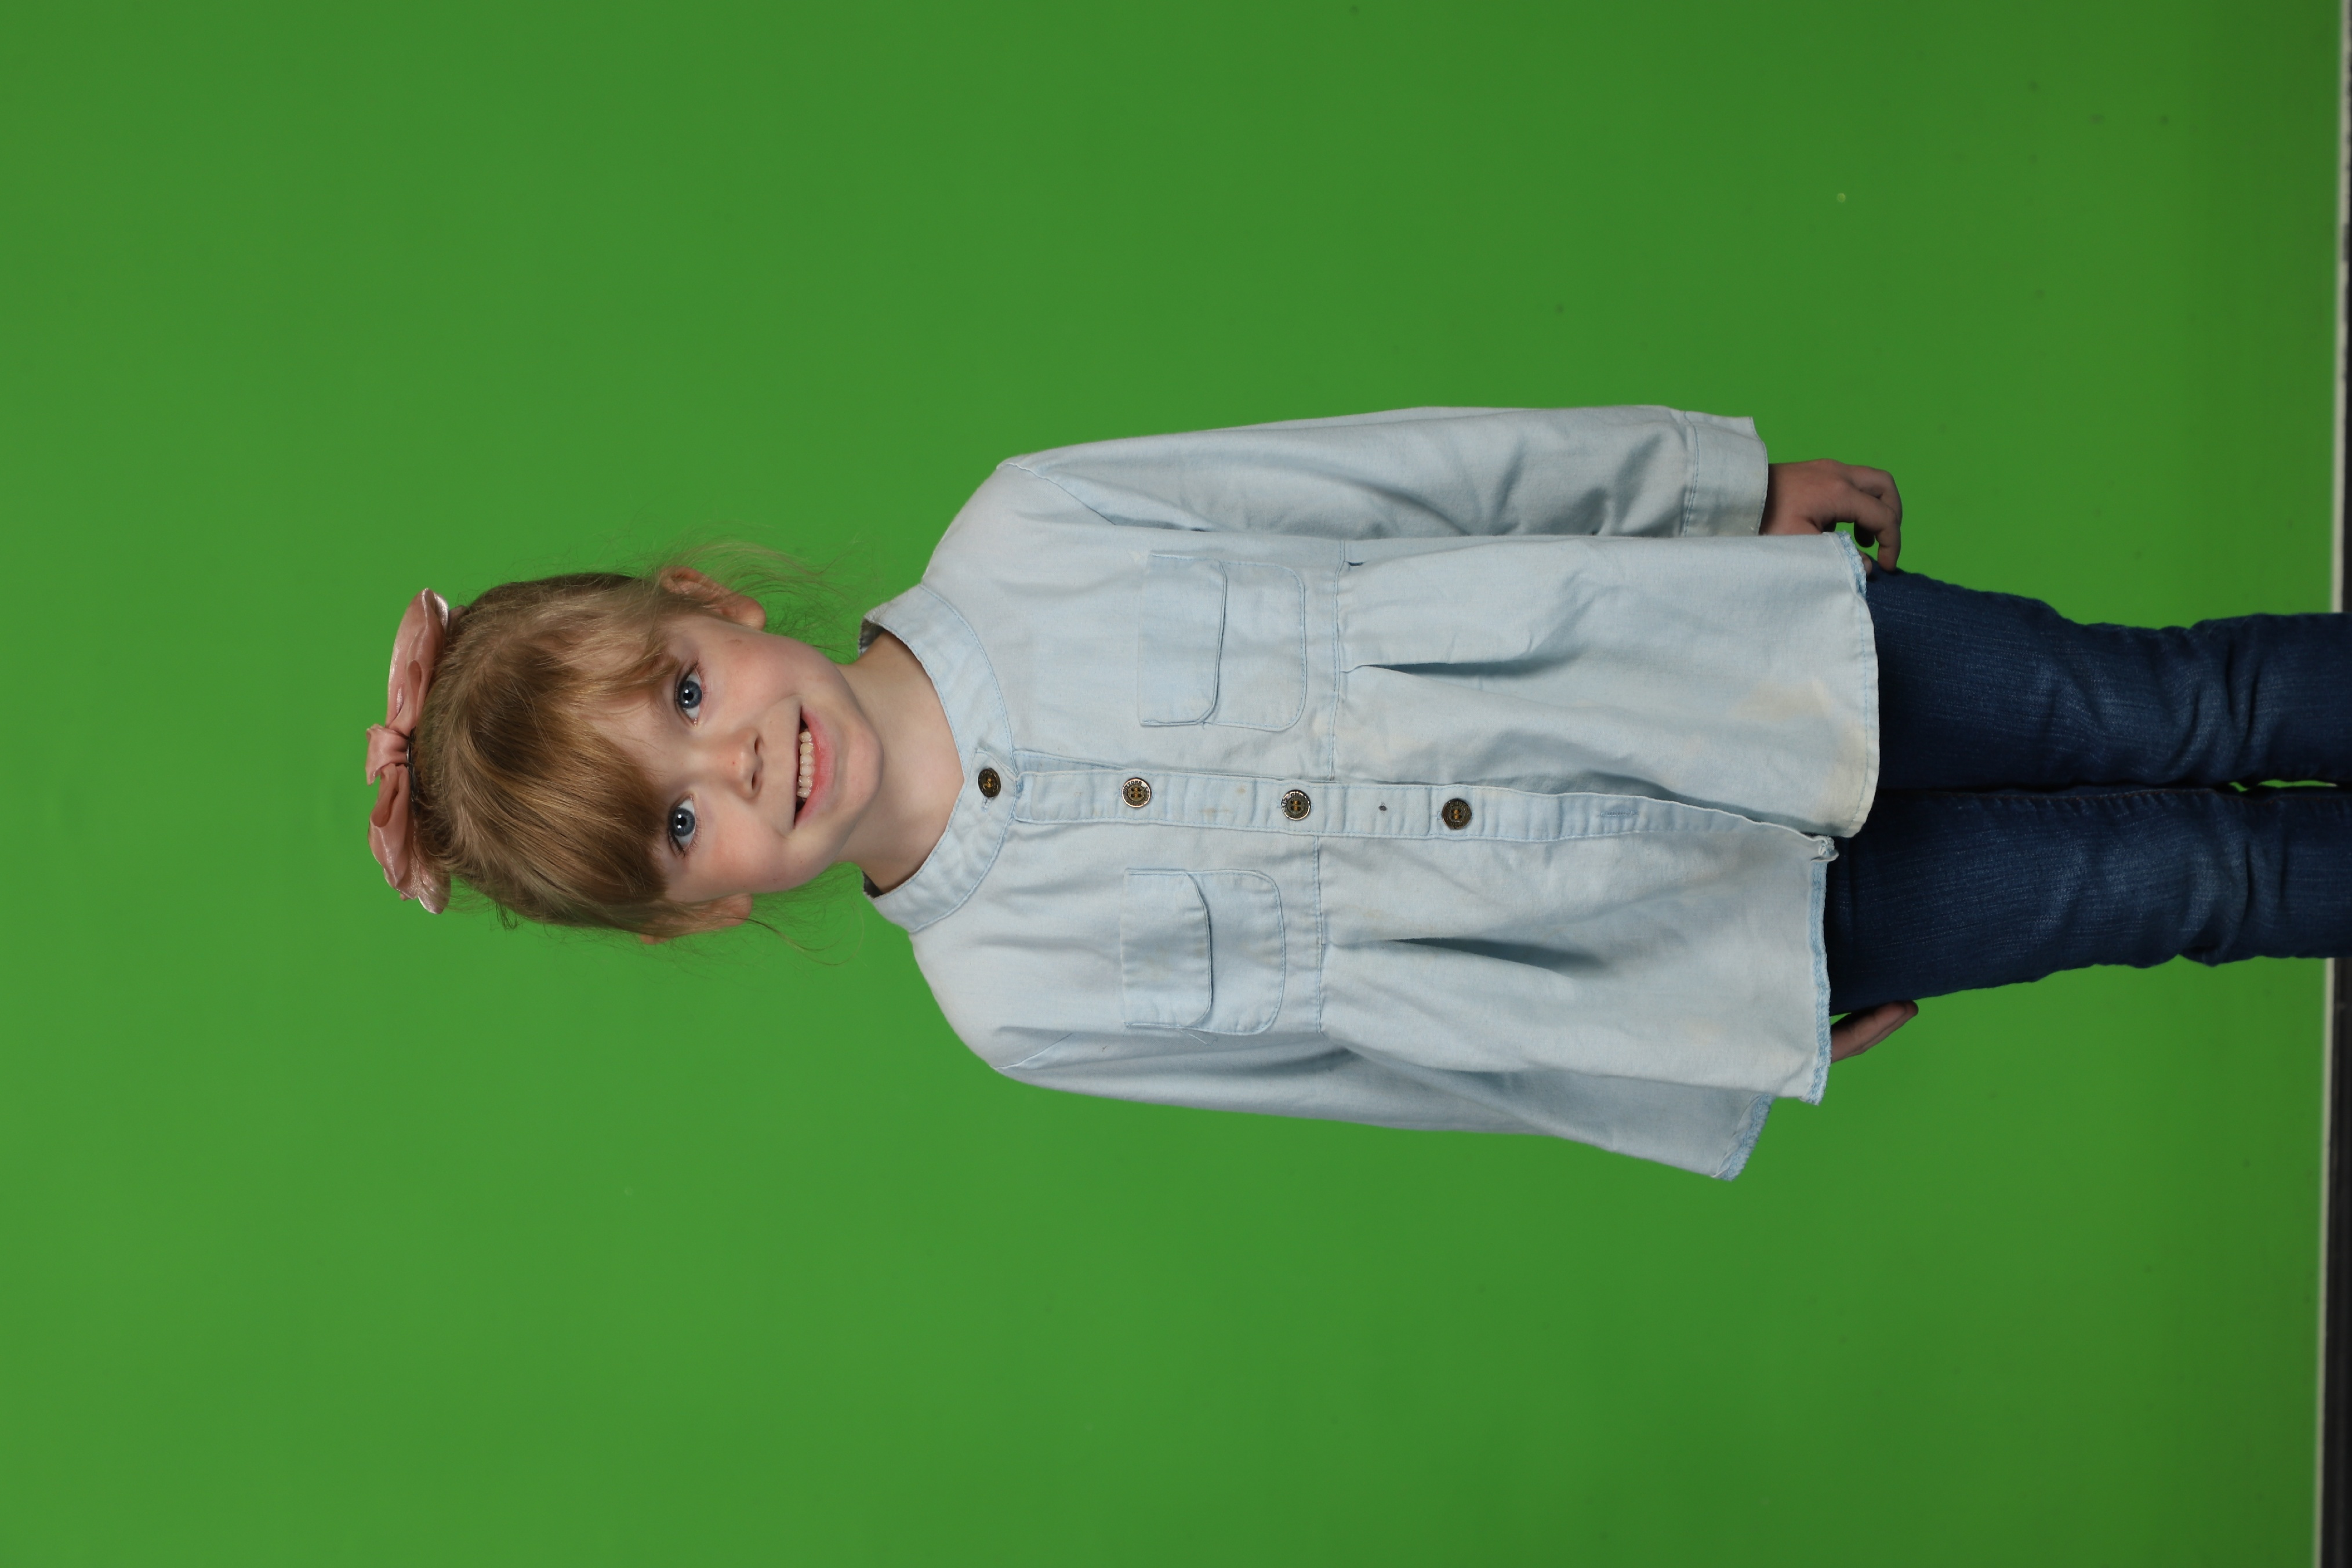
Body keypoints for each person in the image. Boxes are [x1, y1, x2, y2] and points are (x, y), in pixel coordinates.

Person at [363, 406, 2352, 1178]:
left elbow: (1409, 480)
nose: (737, 761)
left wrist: (1708, 491)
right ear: (706, 908)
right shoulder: (1010, 1004)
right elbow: (1384, 1073)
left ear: (710, 610)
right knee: (2181, 887)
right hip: (1695, 949)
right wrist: (1706, 1066)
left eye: (686, 696)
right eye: (684, 822)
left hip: (1732, 665)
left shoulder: (1032, 527)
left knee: (2176, 701)